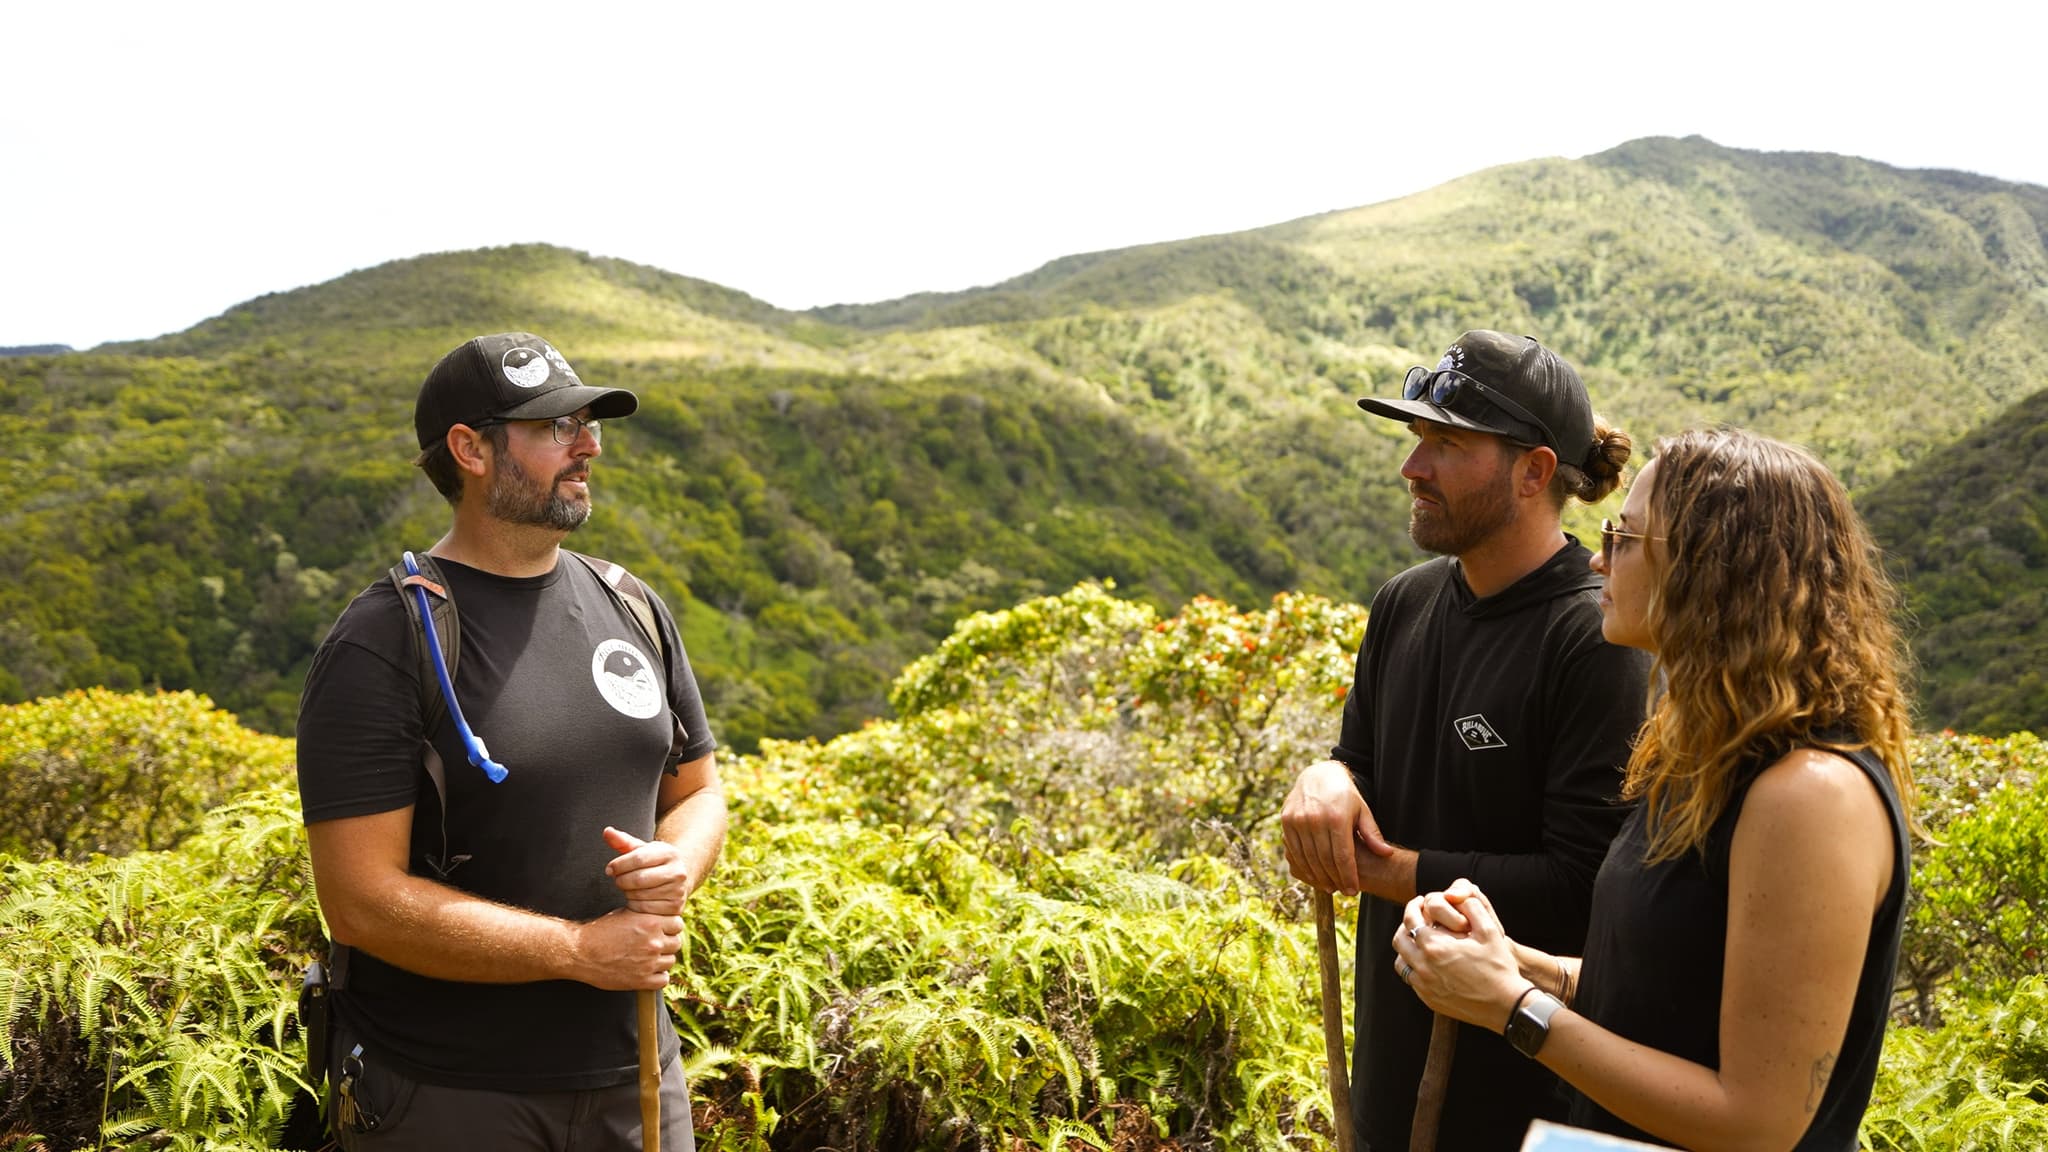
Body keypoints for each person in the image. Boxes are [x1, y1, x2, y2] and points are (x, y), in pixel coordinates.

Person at [1393, 427, 1916, 1150]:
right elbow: (1658, 998)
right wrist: (1512, 961)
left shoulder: (1810, 795)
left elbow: (1758, 1121)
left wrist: (1511, 1007)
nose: (1600, 558)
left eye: (1625, 538)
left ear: (1714, 571)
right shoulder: (1704, 756)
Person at [296, 332, 725, 1150]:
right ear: (471, 450)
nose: (589, 445)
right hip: (447, 1093)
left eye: (588, 426)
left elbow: (697, 791)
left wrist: (678, 862)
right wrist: (579, 951)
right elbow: (357, 901)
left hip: (635, 1072)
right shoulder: (388, 639)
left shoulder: (631, 604)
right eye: (557, 428)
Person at [1282, 330, 1652, 1150]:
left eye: (1447, 444)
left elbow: (1584, 886)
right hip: (1389, 1075)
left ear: (1534, 471)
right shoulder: (1404, 605)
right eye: (1418, 439)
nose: (1414, 468)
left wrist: (1381, 871)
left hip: (1532, 1095)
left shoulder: (1594, 637)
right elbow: (1363, 769)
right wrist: (1327, 776)